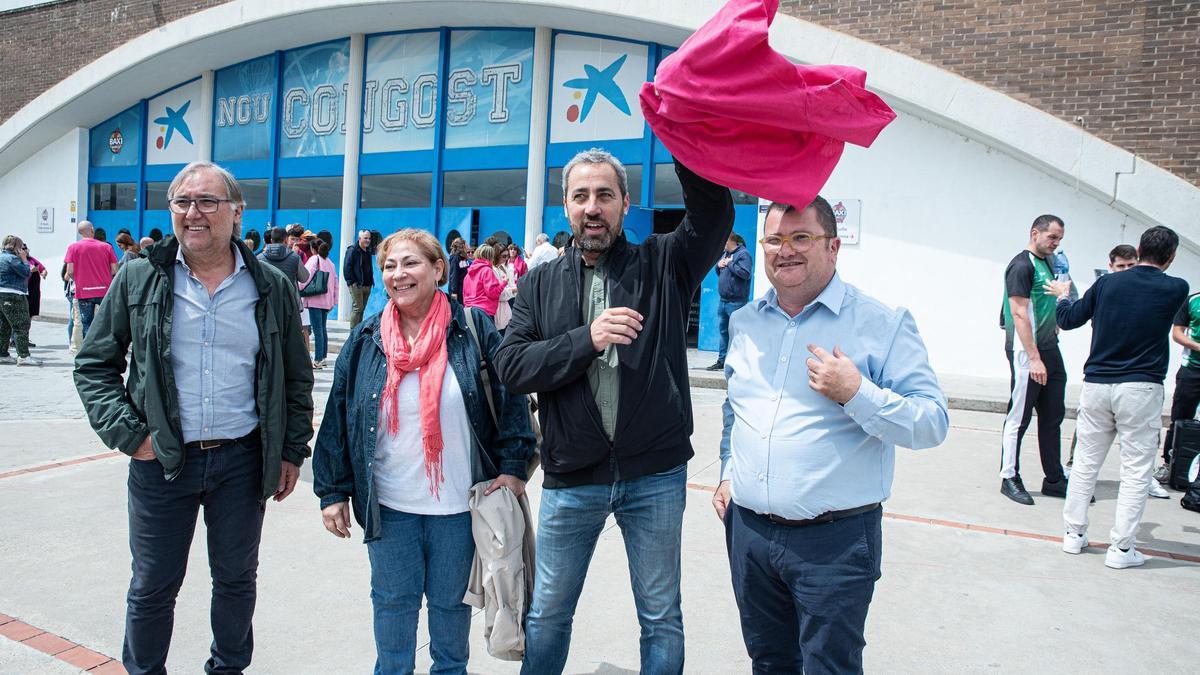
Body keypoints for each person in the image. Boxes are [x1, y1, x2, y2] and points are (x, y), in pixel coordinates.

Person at [495, 148, 734, 674]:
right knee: (548, 613)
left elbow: (714, 215)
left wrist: (687, 139)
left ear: (626, 203)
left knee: (660, 614)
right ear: (565, 207)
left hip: (655, 474)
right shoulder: (538, 283)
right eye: (580, 196)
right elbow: (511, 366)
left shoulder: (664, 262)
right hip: (572, 475)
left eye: (605, 195)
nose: (592, 207)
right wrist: (587, 339)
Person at [73, 161, 314, 674]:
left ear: (236, 212)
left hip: (242, 460)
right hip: (163, 460)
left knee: (235, 580)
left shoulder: (270, 285)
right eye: (182, 202)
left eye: (207, 202)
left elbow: (296, 376)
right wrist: (131, 435)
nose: (193, 213)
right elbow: (95, 364)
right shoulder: (139, 276)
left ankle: (227, 669)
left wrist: (293, 449)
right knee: (153, 585)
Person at [713, 197, 947, 672]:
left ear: (834, 246)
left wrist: (858, 393)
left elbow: (932, 422)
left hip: (834, 544)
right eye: (775, 239)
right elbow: (737, 408)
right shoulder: (746, 322)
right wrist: (726, 472)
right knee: (769, 661)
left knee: (829, 666)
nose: (786, 250)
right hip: (750, 533)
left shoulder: (882, 323)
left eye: (802, 237)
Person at [313, 228, 535, 674]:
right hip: (390, 508)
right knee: (393, 620)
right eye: (390, 266)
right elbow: (340, 414)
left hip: (458, 508)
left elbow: (512, 397)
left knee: (451, 629)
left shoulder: (472, 329)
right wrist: (332, 490)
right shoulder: (366, 339)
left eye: (411, 263)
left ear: (438, 269)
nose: (399, 274)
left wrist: (513, 468)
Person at [1048, 226, 1188, 568]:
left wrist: (1063, 295)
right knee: (1137, 471)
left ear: (1139, 249)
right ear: (1170, 257)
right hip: (1141, 388)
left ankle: (1073, 535)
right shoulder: (1177, 288)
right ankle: (1122, 549)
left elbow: (1067, 319)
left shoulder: (1106, 283)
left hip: (1097, 384)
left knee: (1085, 463)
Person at [999, 215, 1068, 505]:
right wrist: (1034, 358)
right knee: (1020, 416)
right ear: (1035, 233)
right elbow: (1018, 314)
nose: (1056, 243)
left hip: (1050, 349)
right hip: (1027, 353)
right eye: (1052, 237)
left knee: (1053, 415)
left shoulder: (1049, 263)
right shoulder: (1021, 265)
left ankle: (1054, 478)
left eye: (1059, 239)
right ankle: (1009, 477)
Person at [64, 220, 118, 339]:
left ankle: (89, 353)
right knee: (106, 323)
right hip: (104, 291)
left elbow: (70, 271)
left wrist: (80, 279)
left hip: (83, 291)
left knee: (87, 323)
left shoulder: (73, 248)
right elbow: (114, 270)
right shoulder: (107, 247)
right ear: (92, 230)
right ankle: (106, 350)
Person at [707, 232, 752, 371]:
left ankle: (737, 362)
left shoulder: (743, 254)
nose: (722, 244)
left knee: (737, 333)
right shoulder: (725, 254)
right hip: (723, 301)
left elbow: (745, 273)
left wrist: (730, 263)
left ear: (729, 241)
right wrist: (718, 266)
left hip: (736, 303)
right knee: (723, 332)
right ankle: (722, 361)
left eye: (723, 241)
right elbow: (721, 271)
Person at [0, 235, 41, 366]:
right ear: (16, 247)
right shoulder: (12, 259)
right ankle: (23, 355)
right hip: (14, 295)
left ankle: (2, 354)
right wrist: (24, 259)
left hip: (1, 294)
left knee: (4, 325)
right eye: (21, 246)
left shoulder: (1, 257)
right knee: (21, 325)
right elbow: (25, 272)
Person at [301, 238, 338, 369]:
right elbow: (335, 283)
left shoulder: (314, 260)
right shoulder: (331, 263)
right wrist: (334, 301)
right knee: (322, 329)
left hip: (315, 300)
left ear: (313, 249)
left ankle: (317, 360)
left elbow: (306, 276)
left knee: (317, 331)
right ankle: (323, 357)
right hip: (326, 301)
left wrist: (299, 287)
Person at [344, 229, 376, 329]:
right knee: (357, 308)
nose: (368, 240)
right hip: (356, 285)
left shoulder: (368, 251)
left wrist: (371, 282)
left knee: (361, 309)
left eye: (369, 238)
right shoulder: (353, 250)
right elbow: (347, 267)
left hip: (367, 285)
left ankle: (358, 331)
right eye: (365, 238)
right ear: (359, 239)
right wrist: (352, 282)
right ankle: (353, 332)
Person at [463, 243, 504, 320]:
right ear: (490, 257)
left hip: (469, 312)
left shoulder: (468, 273)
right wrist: (503, 284)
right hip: (484, 312)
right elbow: (493, 293)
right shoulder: (487, 271)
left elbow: (464, 294)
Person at [447, 237, 470, 302]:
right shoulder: (455, 259)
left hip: (463, 289)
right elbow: (454, 275)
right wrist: (454, 292)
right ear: (462, 246)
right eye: (466, 245)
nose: (468, 246)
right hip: (457, 291)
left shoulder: (463, 259)